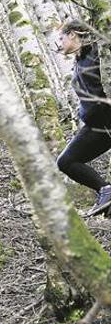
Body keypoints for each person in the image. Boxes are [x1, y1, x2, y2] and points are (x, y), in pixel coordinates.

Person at [55, 19, 111, 216]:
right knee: (66, 162)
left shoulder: (98, 52)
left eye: (61, 38)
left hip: (108, 120)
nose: (59, 44)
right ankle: (106, 190)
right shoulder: (79, 61)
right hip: (96, 126)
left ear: (73, 34)